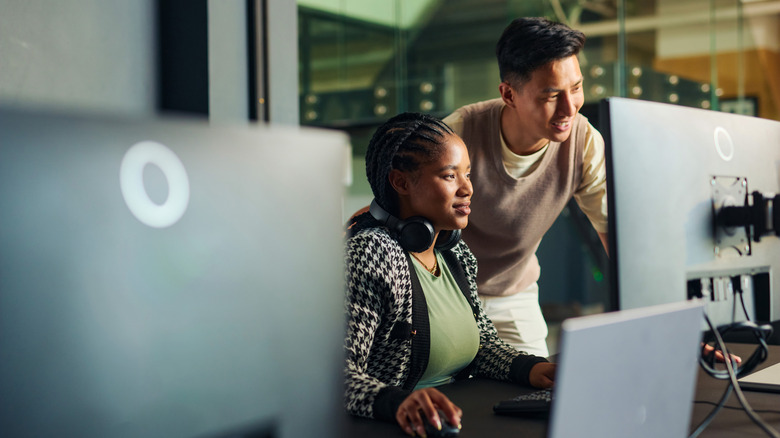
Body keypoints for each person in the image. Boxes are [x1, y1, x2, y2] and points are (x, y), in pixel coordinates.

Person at [344, 112, 556, 437]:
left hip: (457, 418)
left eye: (467, 174)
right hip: (396, 427)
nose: (468, 188)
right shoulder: (370, 253)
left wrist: (534, 369)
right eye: (449, 176)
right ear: (401, 182)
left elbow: (482, 345)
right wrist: (397, 402)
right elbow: (337, 376)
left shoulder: (454, 253)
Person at [441, 17, 608, 357]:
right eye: (551, 94)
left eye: (575, 88)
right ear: (509, 94)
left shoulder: (584, 142)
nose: (569, 108)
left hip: (513, 295)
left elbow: (615, 234)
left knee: (538, 396)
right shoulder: (457, 134)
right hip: (445, 294)